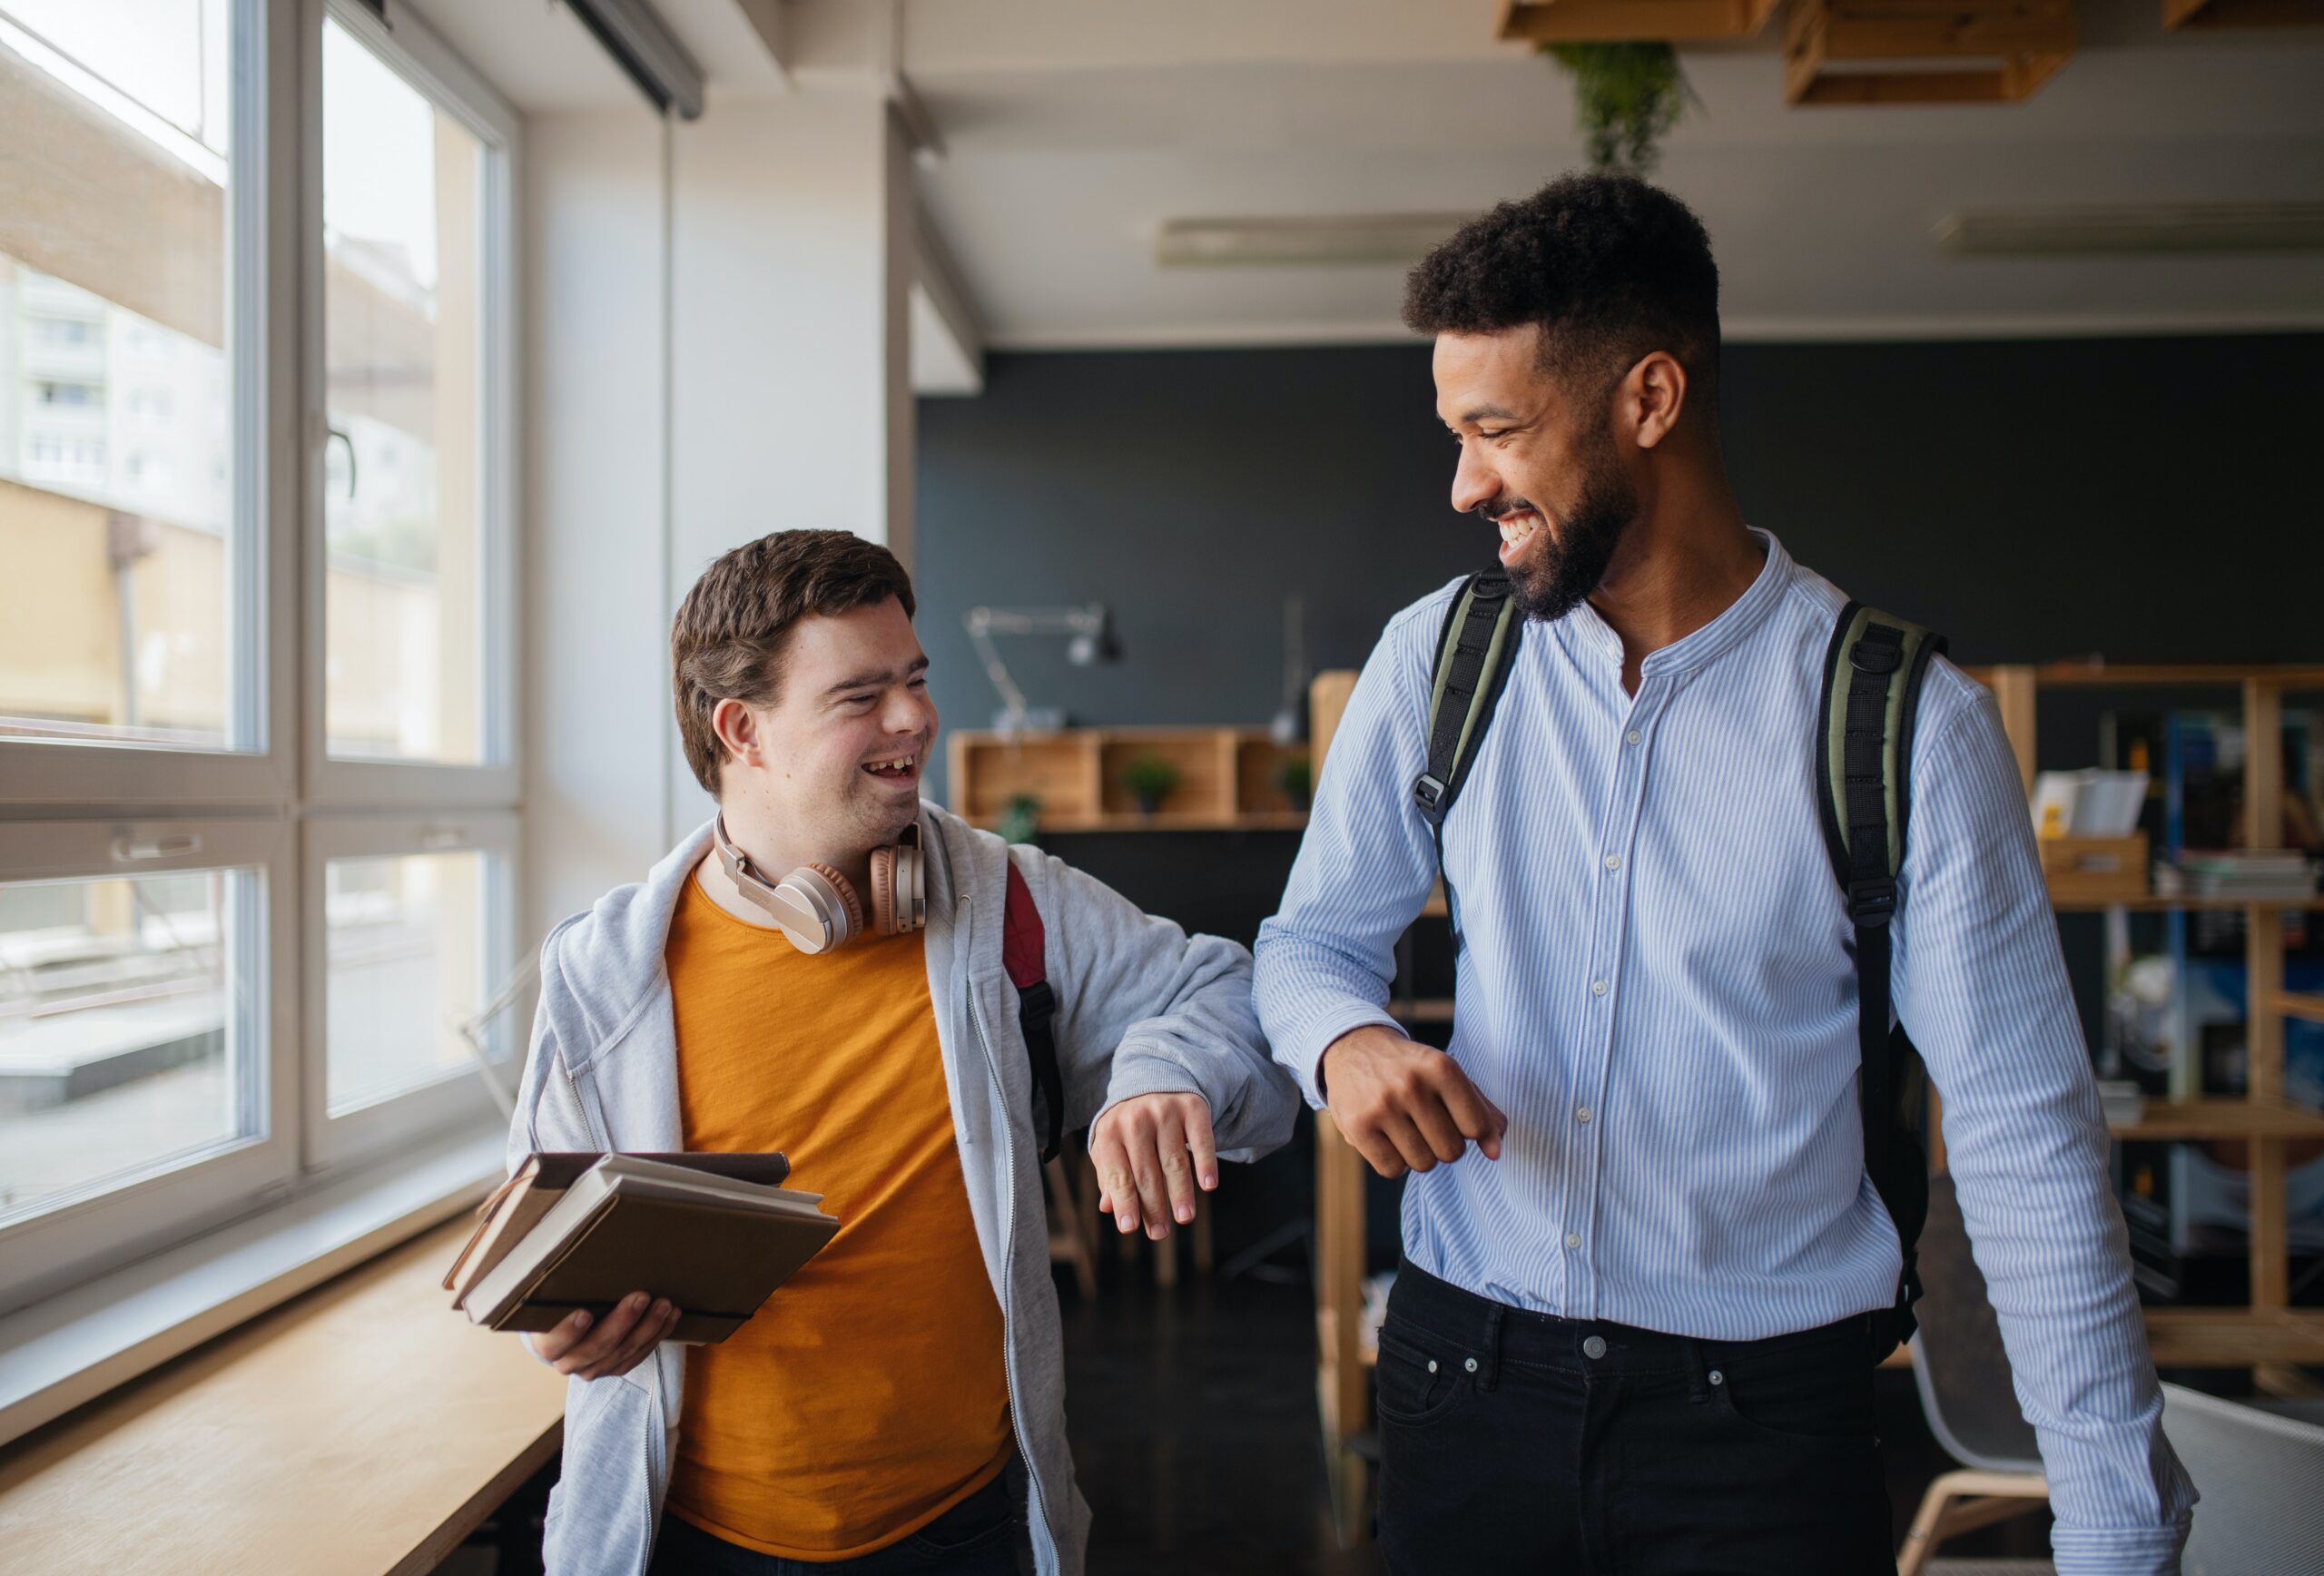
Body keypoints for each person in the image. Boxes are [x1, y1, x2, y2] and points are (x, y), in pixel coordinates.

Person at [1253, 173, 2193, 1575]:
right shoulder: (1437, 662)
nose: (1463, 487)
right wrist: (1344, 1045)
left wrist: (2119, 1528)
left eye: (1496, 431)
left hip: (1760, 1436)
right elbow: (1310, 942)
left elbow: (2024, 1138)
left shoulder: (1908, 724)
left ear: (1647, 399)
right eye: (1456, 435)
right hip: (1463, 1393)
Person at [507, 529, 1295, 1576]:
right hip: (690, 1539)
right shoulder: (603, 970)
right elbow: (549, 1251)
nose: (916, 717)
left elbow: (1234, 991)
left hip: (962, 1527)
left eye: (916, 680)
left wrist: (1164, 1070)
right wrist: (564, 1332)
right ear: (742, 729)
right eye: (859, 694)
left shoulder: (1008, 900)